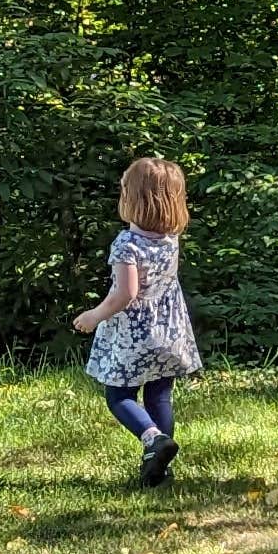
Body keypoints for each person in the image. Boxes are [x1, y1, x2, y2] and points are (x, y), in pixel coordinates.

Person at [75, 156, 202, 482]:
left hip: (135, 336)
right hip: (169, 332)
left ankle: (153, 439)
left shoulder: (127, 244)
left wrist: (93, 315)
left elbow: (125, 294)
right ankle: (161, 467)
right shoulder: (171, 238)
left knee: (119, 396)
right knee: (159, 395)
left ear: (132, 198)